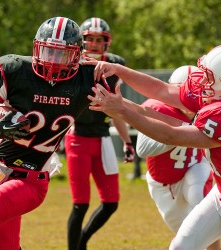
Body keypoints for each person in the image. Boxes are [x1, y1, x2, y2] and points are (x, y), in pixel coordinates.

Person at [86, 44, 221, 249]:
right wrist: (118, 69)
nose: (202, 79)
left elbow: (170, 135)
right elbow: (162, 90)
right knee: (180, 246)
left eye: (209, 76)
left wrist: (123, 110)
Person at [0, 16, 107, 250]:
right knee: (5, 246)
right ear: (36, 48)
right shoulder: (16, 71)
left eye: (61, 54)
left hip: (30, 179)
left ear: (76, 55)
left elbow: (125, 108)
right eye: (48, 51)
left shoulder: (88, 79)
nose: (52, 61)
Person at [65, 17, 135, 250]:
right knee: (80, 204)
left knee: (111, 202)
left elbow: (117, 109)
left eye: (99, 39)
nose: (94, 44)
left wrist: (126, 141)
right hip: (77, 138)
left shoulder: (114, 65)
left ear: (106, 42)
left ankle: (82, 242)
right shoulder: (70, 64)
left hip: (103, 137)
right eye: (89, 39)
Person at [136, 65, 220, 250]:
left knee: (202, 206)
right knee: (187, 236)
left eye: (199, 93)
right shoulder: (156, 108)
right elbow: (142, 149)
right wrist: (177, 132)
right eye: (190, 93)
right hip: (163, 183)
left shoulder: (209, 108)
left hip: (195, 166)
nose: (196, 100)